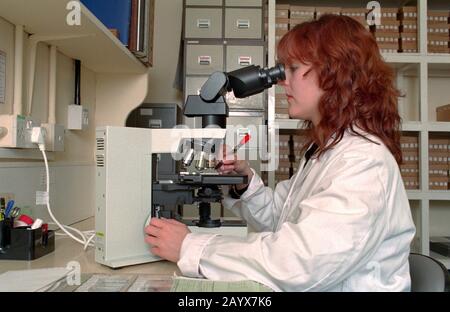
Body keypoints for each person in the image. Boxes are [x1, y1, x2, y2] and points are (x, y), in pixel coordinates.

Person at [144, 14, 416, 291]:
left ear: (335, 73)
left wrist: (191, 248)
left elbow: (300, 264)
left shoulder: (364, 163)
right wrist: (244, 182)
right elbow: (281, 219)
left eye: (294, 68)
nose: (282, 80)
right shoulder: (325, 150)